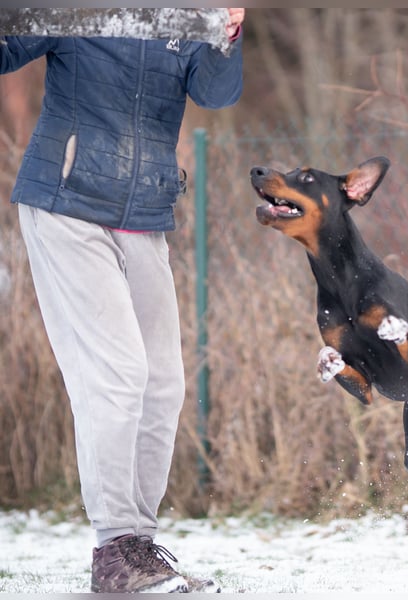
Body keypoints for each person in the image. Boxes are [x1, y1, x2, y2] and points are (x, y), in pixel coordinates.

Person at [1, 8, 245, 593]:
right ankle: (113, 548)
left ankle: (137, 545)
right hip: (65, 203)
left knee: (162, 384)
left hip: (143, 216)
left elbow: (216, 93)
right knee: (117, 374)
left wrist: (226, 34)